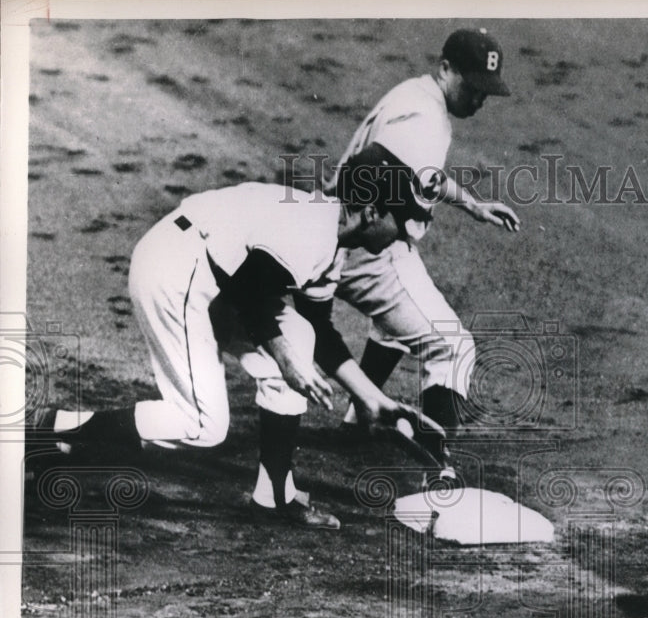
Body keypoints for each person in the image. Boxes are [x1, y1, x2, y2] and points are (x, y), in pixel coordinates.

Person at [29, 144, 443, 529]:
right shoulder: (312, 232)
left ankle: (274, 495)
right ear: (371, 212)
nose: (402, 241)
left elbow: (317, 325)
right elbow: (245, 291)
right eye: (399, 226)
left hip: (206, 273)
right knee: (203, 425)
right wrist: (285, 358)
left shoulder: (330, 241)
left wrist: (374, 400)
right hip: (175, 271)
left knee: (298, 335)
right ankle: (54, 427)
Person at [325, 28, 520, 477]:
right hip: (364, 246)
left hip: (340, 236)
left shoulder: (418, 95)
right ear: (446, 68)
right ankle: (437, 471)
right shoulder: (424, 119)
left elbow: (416, 174)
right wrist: (375, 232)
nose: (479, 98)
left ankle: (359, 418)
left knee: (396, 325)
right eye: (472, 86)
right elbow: (370, 171)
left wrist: (472, 204)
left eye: (486, 91)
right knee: (454, 347)